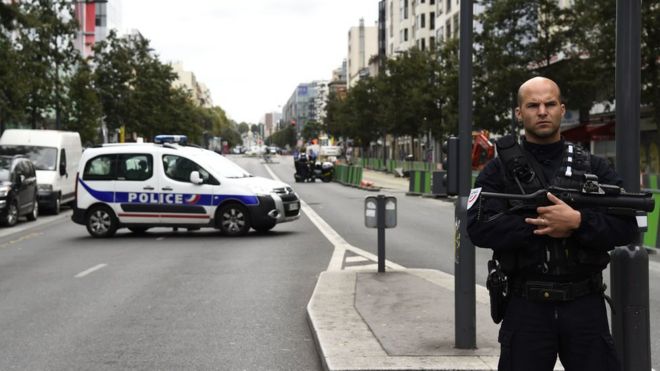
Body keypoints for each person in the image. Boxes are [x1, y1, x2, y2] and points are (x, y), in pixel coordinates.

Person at [467, 76, 637, 371]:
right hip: (525, 306)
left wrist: (577, 222)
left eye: (549, 104)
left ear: (561, 108)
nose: (542, 111)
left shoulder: (593, 167)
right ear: (520, 113)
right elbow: (478, 227)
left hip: (584, 305)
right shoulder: (498, 170)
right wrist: (542, 223)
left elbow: (627, 226)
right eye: (533, 105)